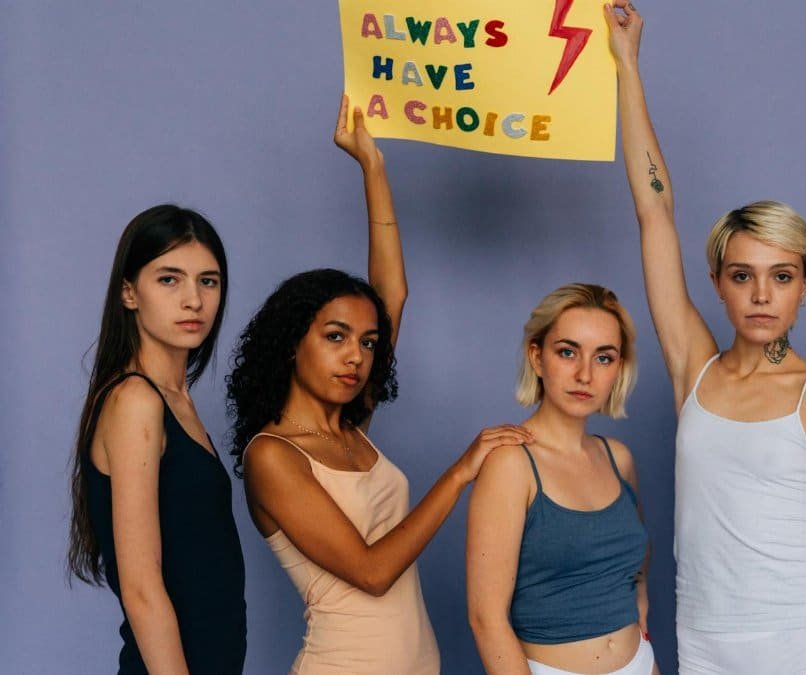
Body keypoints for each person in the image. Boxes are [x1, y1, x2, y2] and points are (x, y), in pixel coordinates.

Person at [225, 97, 530, 674]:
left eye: (367, 344)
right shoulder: (272, 456)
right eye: (336, 337)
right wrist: (460, 472)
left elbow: (391, 294)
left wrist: (373, 166)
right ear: (293, 343)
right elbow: (371, 570)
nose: (357, 356)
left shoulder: (349, 429)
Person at [605, 4, 806, 673]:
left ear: (805, 284)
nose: (760, 294)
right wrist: (626, 65)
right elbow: (653, 208)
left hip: (797, 643)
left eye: (780, 276)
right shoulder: (694, 366)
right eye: (743, 274)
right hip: (704, 643)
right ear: (717, 281)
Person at [67, 204, 247, 673]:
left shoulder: (176, 402)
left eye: (208, 281)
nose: (194, 300)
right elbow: (142, 589)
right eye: (169, 279)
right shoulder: (136, 401)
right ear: (129, 293)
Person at [467, 283, 657, 675]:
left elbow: (632, 553)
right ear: (537, 358)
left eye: (603, 358)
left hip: (640, 664)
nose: (584, 374)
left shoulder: (617, 458)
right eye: (567, 352)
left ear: (618, 368)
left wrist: (640, 602)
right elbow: (486, 619)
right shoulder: (511, 464)